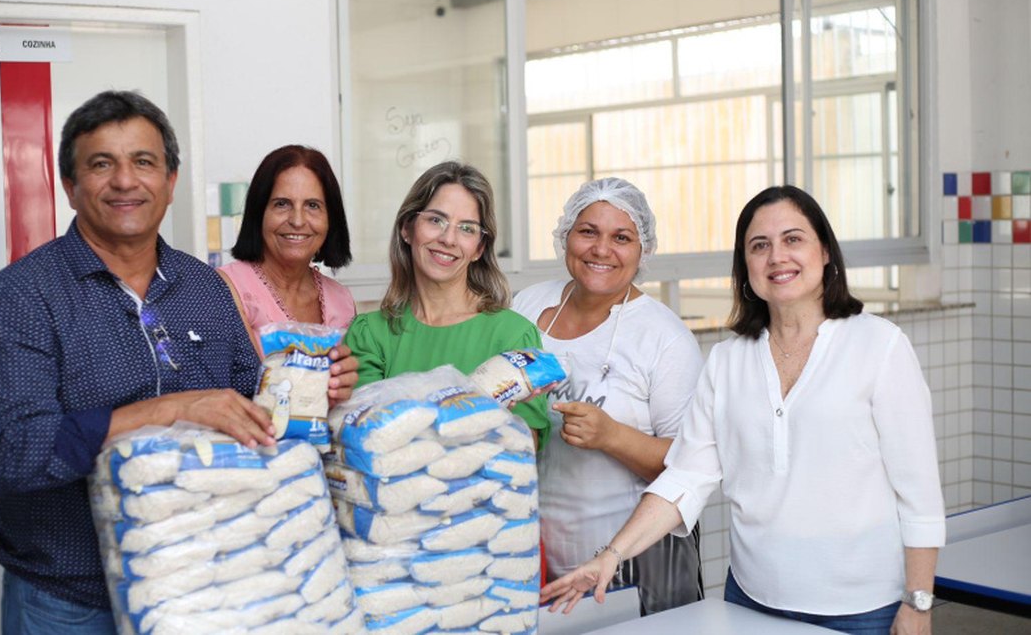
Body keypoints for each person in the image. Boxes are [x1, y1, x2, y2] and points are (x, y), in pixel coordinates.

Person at [0, 90, 357, 634]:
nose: (126, 181)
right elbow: (20, 454)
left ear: (170, 182)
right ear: (70, 186)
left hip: (212, 584)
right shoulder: (22, 298)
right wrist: (168, 409)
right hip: (73, 600)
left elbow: (253, 399)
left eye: (144, 162)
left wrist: (315, 383)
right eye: (102, 164)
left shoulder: (203, 288)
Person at [541, 185, 945, 635]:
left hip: (865, 608)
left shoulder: (880, 346)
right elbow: (686, 476)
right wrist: (610, 557)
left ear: (825, 251)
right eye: (759, 246)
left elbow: (920, 492)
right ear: (745, 265)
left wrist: (918, 602)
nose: (777, 257)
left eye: (793, 239)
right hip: (751, 601)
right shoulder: (729, 361)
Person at [513, 177, 704, 615]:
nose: (602, 249)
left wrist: (612, 436)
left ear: (644, 249)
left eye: (622, 237)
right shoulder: (526, 305)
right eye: (588, 232)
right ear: (566, 236)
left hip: (634, 563)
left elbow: (690, 466)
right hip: (540, 557)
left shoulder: (664, 338)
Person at [343, 160, 550, 450]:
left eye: (467, 228)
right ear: (407, 228)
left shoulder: (512, 336)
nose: (448, 239)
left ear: (479, 248)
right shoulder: (370, 334)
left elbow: (522, 451)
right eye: (436, 220)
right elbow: (364, 440)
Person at [219, 145, 356, 354]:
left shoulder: (341, 300)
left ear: (331, 219)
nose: (298, 221)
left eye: (312, 205)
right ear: (259, 213)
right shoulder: (225, 288)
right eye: (282, 204)